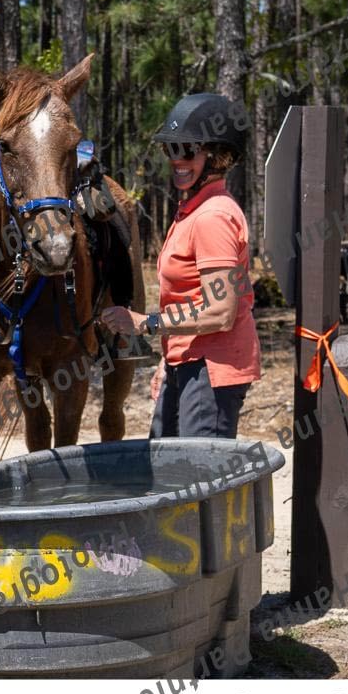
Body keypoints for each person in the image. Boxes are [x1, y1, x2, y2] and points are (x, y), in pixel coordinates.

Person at [98, 93, 262, 438]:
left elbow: (220, 312)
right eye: (170, 150)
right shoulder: (192, 211)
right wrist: (168, 358)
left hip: (211, 368)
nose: (177, 160)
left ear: (219, 157)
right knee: (165, 462)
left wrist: (146, 324)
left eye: (188, 150)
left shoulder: (212, 217)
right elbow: (189, 297)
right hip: (187, 361)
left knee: (195, 469)